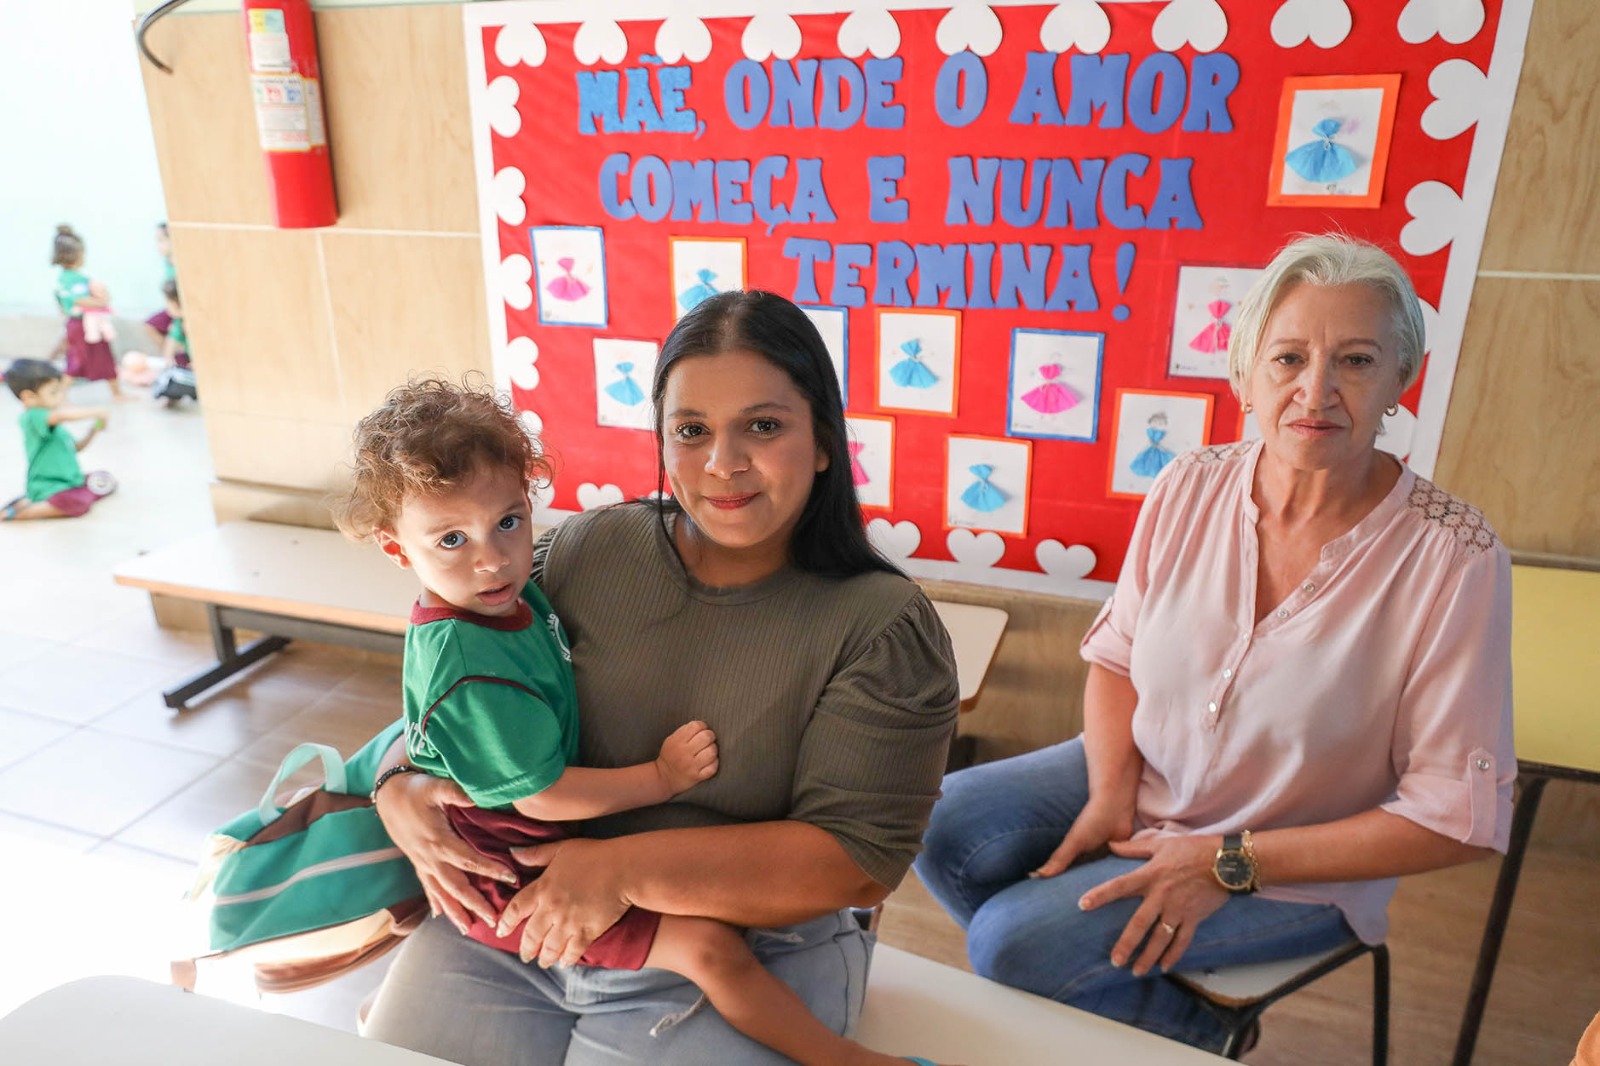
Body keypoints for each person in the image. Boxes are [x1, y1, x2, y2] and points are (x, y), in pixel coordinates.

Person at [913, 233, 1516, 1054]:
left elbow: (1456, 819)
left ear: (1400, 380)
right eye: (1289, 358)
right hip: (1159, 772)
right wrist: (1109, 794)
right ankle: (1098, 1000)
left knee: (1012, 945)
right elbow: (1119, 656)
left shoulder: (1455, 556)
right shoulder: (1188, 483)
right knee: (934, 820)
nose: (1317, 391)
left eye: (1357, 361)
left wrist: (1225, 864)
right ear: (1244, 373)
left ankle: (1185, 1035)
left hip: (1303, 859)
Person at [361, 290, 961, 1065]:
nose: (723, 463)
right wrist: (397, 787)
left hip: (742, 958)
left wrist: (618, 870)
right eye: (692, 431)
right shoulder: (589, 550)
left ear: (823, 441)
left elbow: (854, 862)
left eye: (764, 426)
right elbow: (466, 687)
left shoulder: (882, 629)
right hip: (522, 925)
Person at [3, 358, 115, 521]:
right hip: (49, 485)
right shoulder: (33, 416)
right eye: (53, 392)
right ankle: (22, 512)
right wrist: (97, 411)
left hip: (69, 481)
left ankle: (31, 501)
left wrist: (94, 431)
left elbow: (76, 447)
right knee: (78, 504)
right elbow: (62, 415)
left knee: (102, 479)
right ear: (29, 397)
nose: (60, 396)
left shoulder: (51, 422)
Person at [51, 225, 122, 400]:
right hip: (82, 325)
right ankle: (61, 392)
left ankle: (117, 393)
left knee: (104, 356)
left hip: (82, 324)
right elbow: (79, 299)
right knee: (77, 359)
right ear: (74, 255)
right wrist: (102, 301)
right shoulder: (74, 280)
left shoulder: (66, 278)